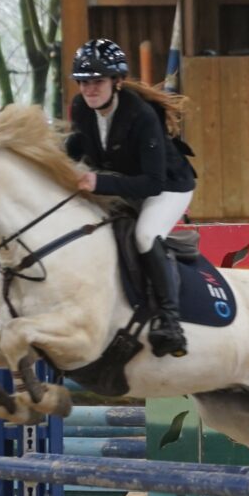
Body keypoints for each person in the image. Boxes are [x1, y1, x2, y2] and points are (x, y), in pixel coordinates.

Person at [65, 38, 197, 358]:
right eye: (83, 82)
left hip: (168, 186)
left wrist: (98, 182)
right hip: (121, 179)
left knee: (145, 235)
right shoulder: (80, 108)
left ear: (117, 81)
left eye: (97, 81)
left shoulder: (141, 115)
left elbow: (152, 183)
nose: (89, 89)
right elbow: (77, 148)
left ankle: (170, 321)